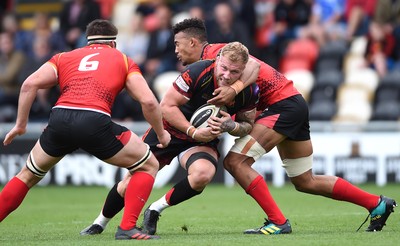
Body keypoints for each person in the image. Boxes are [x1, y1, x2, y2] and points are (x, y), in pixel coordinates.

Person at [84, 17, 396, 236]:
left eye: (180, 45)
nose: (176, 51)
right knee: (305, 181)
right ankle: (376, 203)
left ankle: (277, 221)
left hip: (280, 106)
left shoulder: (215, 54)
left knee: (235, 161)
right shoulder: (204, 68)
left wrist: (233, 92)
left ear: (195, 43)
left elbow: (255, 65)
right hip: (293, 104)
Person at [0, 19, 171, 240]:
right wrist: (162, 133)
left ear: (87, 41)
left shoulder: (63, 57)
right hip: (94, 120)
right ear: (113, 43)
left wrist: (20, 125)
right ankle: (127, 228)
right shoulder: (123, 59)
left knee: (27, 175)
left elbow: (29, 84)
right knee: (148, 165)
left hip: (59, 118)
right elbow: (148, 102)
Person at [80, 41, 259, 236]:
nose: (227, 75)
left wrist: (231, 126)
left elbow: (247, 124)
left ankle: (155, 209)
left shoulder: (249, 91)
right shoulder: (197, 71)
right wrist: (192, 131)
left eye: (234, 72)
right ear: (217, 60)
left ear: (243, 70)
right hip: (167, 132)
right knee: (129, 183)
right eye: (224, 68)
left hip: (201, 140)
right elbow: (166, 106)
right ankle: (100, 222)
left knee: (203, 174)